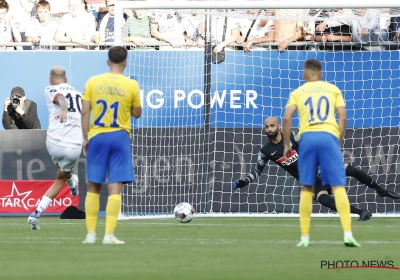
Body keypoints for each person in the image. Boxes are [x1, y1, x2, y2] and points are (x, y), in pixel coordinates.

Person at [233, 117, 400, 220]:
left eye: (272, 126)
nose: (269, 129)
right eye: (266, 127)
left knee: (351, 170)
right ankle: (361, 212)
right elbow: (256, 172)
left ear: (278, 127)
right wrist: (244, 182)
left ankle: (382, 191)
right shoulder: (265, 152)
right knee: (324, 199)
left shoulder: (292, 136)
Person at [282, 59, 360, 247]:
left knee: (307, 188)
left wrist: (286, 145)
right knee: (338, 186)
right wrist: (338, 140)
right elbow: (343, 116)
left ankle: (304, 238)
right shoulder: (332, 89)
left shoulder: (298, 92)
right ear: (321, 74)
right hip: (329, 137)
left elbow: (286, 117)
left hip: (307, 138)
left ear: (304, 75)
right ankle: (348, 234)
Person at [81, 46, 142, 245]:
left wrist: (85, 138)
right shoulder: (131, 84)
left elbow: (85, 113)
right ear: (125, 63)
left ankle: (90, 235)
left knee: (93, 187)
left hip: (97, 135)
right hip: (119, 136)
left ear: (108, 62)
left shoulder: (93, 81)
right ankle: (108, 235)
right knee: (115, 187)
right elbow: (137, 113)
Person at [27, 67, 82, 230]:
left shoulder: (50, 88)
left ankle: (72, 183)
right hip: (74, 145)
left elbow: (61, 99)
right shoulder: (79, 94)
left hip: (54, 143)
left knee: (61, 170)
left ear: (51, 79)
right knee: (61, 177)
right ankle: (36, 213)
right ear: (65, 79)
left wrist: (64, 110)